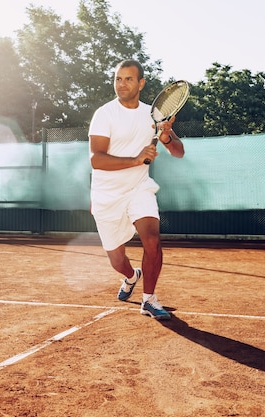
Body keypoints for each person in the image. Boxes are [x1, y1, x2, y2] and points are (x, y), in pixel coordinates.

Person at [88, 59, 185, 320]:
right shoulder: (104, 114)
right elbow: (97, 159)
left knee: (152, 240)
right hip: (106, 194)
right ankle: (132, 277)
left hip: (139, 188)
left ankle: (149, 299)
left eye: (128, 79)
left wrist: (165, 136)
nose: (122, 84)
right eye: (118, 79)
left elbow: (178, 152)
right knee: (117, 260)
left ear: (141, 83)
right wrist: (135, 159)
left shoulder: (153, 116)